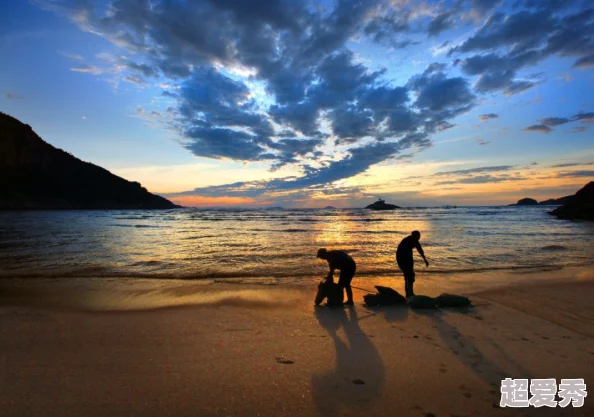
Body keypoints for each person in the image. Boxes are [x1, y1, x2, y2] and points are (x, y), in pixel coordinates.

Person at [396, 231, 429, 298]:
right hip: (403, 258)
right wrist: (425, 260)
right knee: (409, 276)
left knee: (408, 276)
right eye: (418, 236)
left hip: (403, 258)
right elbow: (419, 250)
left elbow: (420, 250)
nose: (419, 238)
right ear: (415, 236)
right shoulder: (411, 240)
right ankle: (410, 293)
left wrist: (425, 260)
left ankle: (408, 294)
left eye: (419, 237)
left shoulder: (411, 240)